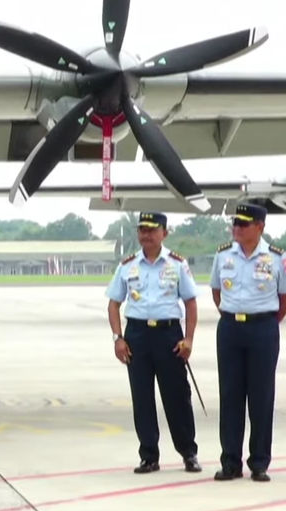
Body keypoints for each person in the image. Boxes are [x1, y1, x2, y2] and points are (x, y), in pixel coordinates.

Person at [106, 211, 201, 475]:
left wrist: (188, 339)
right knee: (142, 397)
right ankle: (148, 455)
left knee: (177, 397)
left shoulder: (177, 264)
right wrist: (118, 338)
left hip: (169, 335)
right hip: (136, 335)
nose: (146, 235)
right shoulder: (127, 265)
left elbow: (191, 304)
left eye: (152, 230)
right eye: (142, 230)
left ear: (164, 233)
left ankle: (188, 453)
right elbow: (114, 304)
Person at [209, 203, 286, 482]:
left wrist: (263, 320)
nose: (237, 228)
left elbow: (283, 298)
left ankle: (259, 462)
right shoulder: (223, 255)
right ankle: (230, 461)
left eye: (244, 224)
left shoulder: (277, 257)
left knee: (261, 397)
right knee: (230, 396)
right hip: (230, 327)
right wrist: (234, 315)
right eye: (235, 224)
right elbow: (217, 292)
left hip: (263, 328)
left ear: (260, 227)